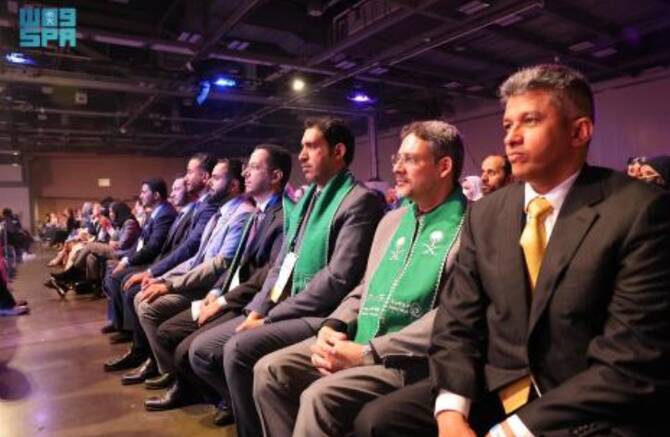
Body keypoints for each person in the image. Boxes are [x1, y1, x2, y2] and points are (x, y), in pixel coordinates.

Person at [353, 64, 670, 437]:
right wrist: (451, 411)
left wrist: (511, 431)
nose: (511, 138)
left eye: (530, 121)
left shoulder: (639, 210)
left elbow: (629, 359)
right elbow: (456, 324)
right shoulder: (487, 213)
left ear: (579, 131)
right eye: (507, 125)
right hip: (498, 385)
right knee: (378, 421)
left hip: (583, 402)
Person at [253, 120, 467, 437]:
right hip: (357, 337)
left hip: (405, 358)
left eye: (409, 159)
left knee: (320, 397)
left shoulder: (469, 227)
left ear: (444, 166)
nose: (397, 168)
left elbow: (451, 316)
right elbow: (366, 287)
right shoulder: (392, 221)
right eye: (397, 158)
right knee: (269, 370)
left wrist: (368, 352)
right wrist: (334, 324)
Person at [187, 117, 386, 431]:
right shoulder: (308, 199)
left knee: (237, 350)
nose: (302, 155)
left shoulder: (359, 201)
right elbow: (283, 264)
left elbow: (337, 279)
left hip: (326, 314)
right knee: (202, 350)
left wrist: (270, 318)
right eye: (301, 147)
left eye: (311, 147)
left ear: (338, 152)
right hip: (288, 306)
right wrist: (258, 308)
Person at [140, 144, 291, 409]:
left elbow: (265, 275)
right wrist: (215, 293)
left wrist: (221, 301)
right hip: (230, 292)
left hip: (251, 301)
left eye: (254, 167)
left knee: (191, 350)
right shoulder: (257, 212)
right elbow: (236, 265)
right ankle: (212, 395)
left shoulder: (280, 215)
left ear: (276, 176)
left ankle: (231, 402)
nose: (245, 173)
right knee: (169, 333)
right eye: (246, 167)